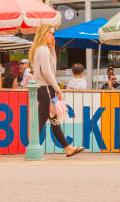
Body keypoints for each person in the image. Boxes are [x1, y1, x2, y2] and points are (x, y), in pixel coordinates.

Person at [29, 24, 84, 157]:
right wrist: (57, 88)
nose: (53, 36)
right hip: (46, 89)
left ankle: (67, 147)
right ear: (44, 33)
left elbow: (51, 67)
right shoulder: (42, 50)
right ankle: (31, 147)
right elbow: (48, 72)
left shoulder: (43, 49)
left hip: (45, 89)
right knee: (42, 120)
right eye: (51, 33)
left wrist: (52, 48)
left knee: (53, 119)